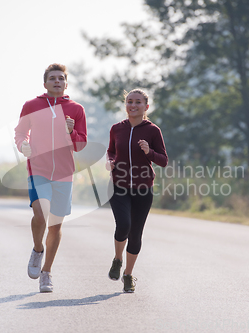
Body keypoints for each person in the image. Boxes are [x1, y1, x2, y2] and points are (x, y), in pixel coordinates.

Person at [14, 63, 87, 292]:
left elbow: (81, 144)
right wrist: (23, 145)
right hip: (38, 170)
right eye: (52, 78)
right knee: (40, 213)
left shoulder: (76, 109)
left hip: (64, 174)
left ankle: (46, 272)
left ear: (66, 83)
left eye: (61, 78)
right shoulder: (31, 105)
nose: (57, 81)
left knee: (55, 225)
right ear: (44, 83)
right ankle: (37, 249)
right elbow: (20, 133)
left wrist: (70, 131)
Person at [106, 88, 168, 292]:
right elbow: (111, 151)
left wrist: (149, 152)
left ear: (146, 107)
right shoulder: (117, 128)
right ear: (125, 105)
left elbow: (163, 160)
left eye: (138, 102)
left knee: (136, 233)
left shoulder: (152, 130)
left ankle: (128, 275)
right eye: (129, 101)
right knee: (123, 224)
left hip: (143, 188)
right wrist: (111, 161)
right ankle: (117, 259)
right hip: (119, 185)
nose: (133, 105)